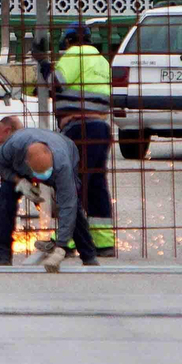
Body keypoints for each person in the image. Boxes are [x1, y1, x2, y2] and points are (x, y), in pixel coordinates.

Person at [34, 22, 116, 257]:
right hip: (100, 127)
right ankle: (103, 242)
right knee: (96, 184)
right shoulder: (101, 60)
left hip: (79, 128)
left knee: (71, 183)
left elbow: (56, 82)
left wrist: (43, 63)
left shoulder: (74, 54)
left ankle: (66, 241)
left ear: (69, 40)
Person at [0, 126, 98, 271]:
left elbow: (68, 205)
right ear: (26, 163)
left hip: (63, 155)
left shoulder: (62, 165)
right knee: (5, 198)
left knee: (73, 206)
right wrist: (19, 181)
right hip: (21, 171)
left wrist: (61, 247)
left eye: (46, 172)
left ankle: (88, 256)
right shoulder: (13, 147)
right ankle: (2, 257)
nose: (42, 178)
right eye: (39, 174)